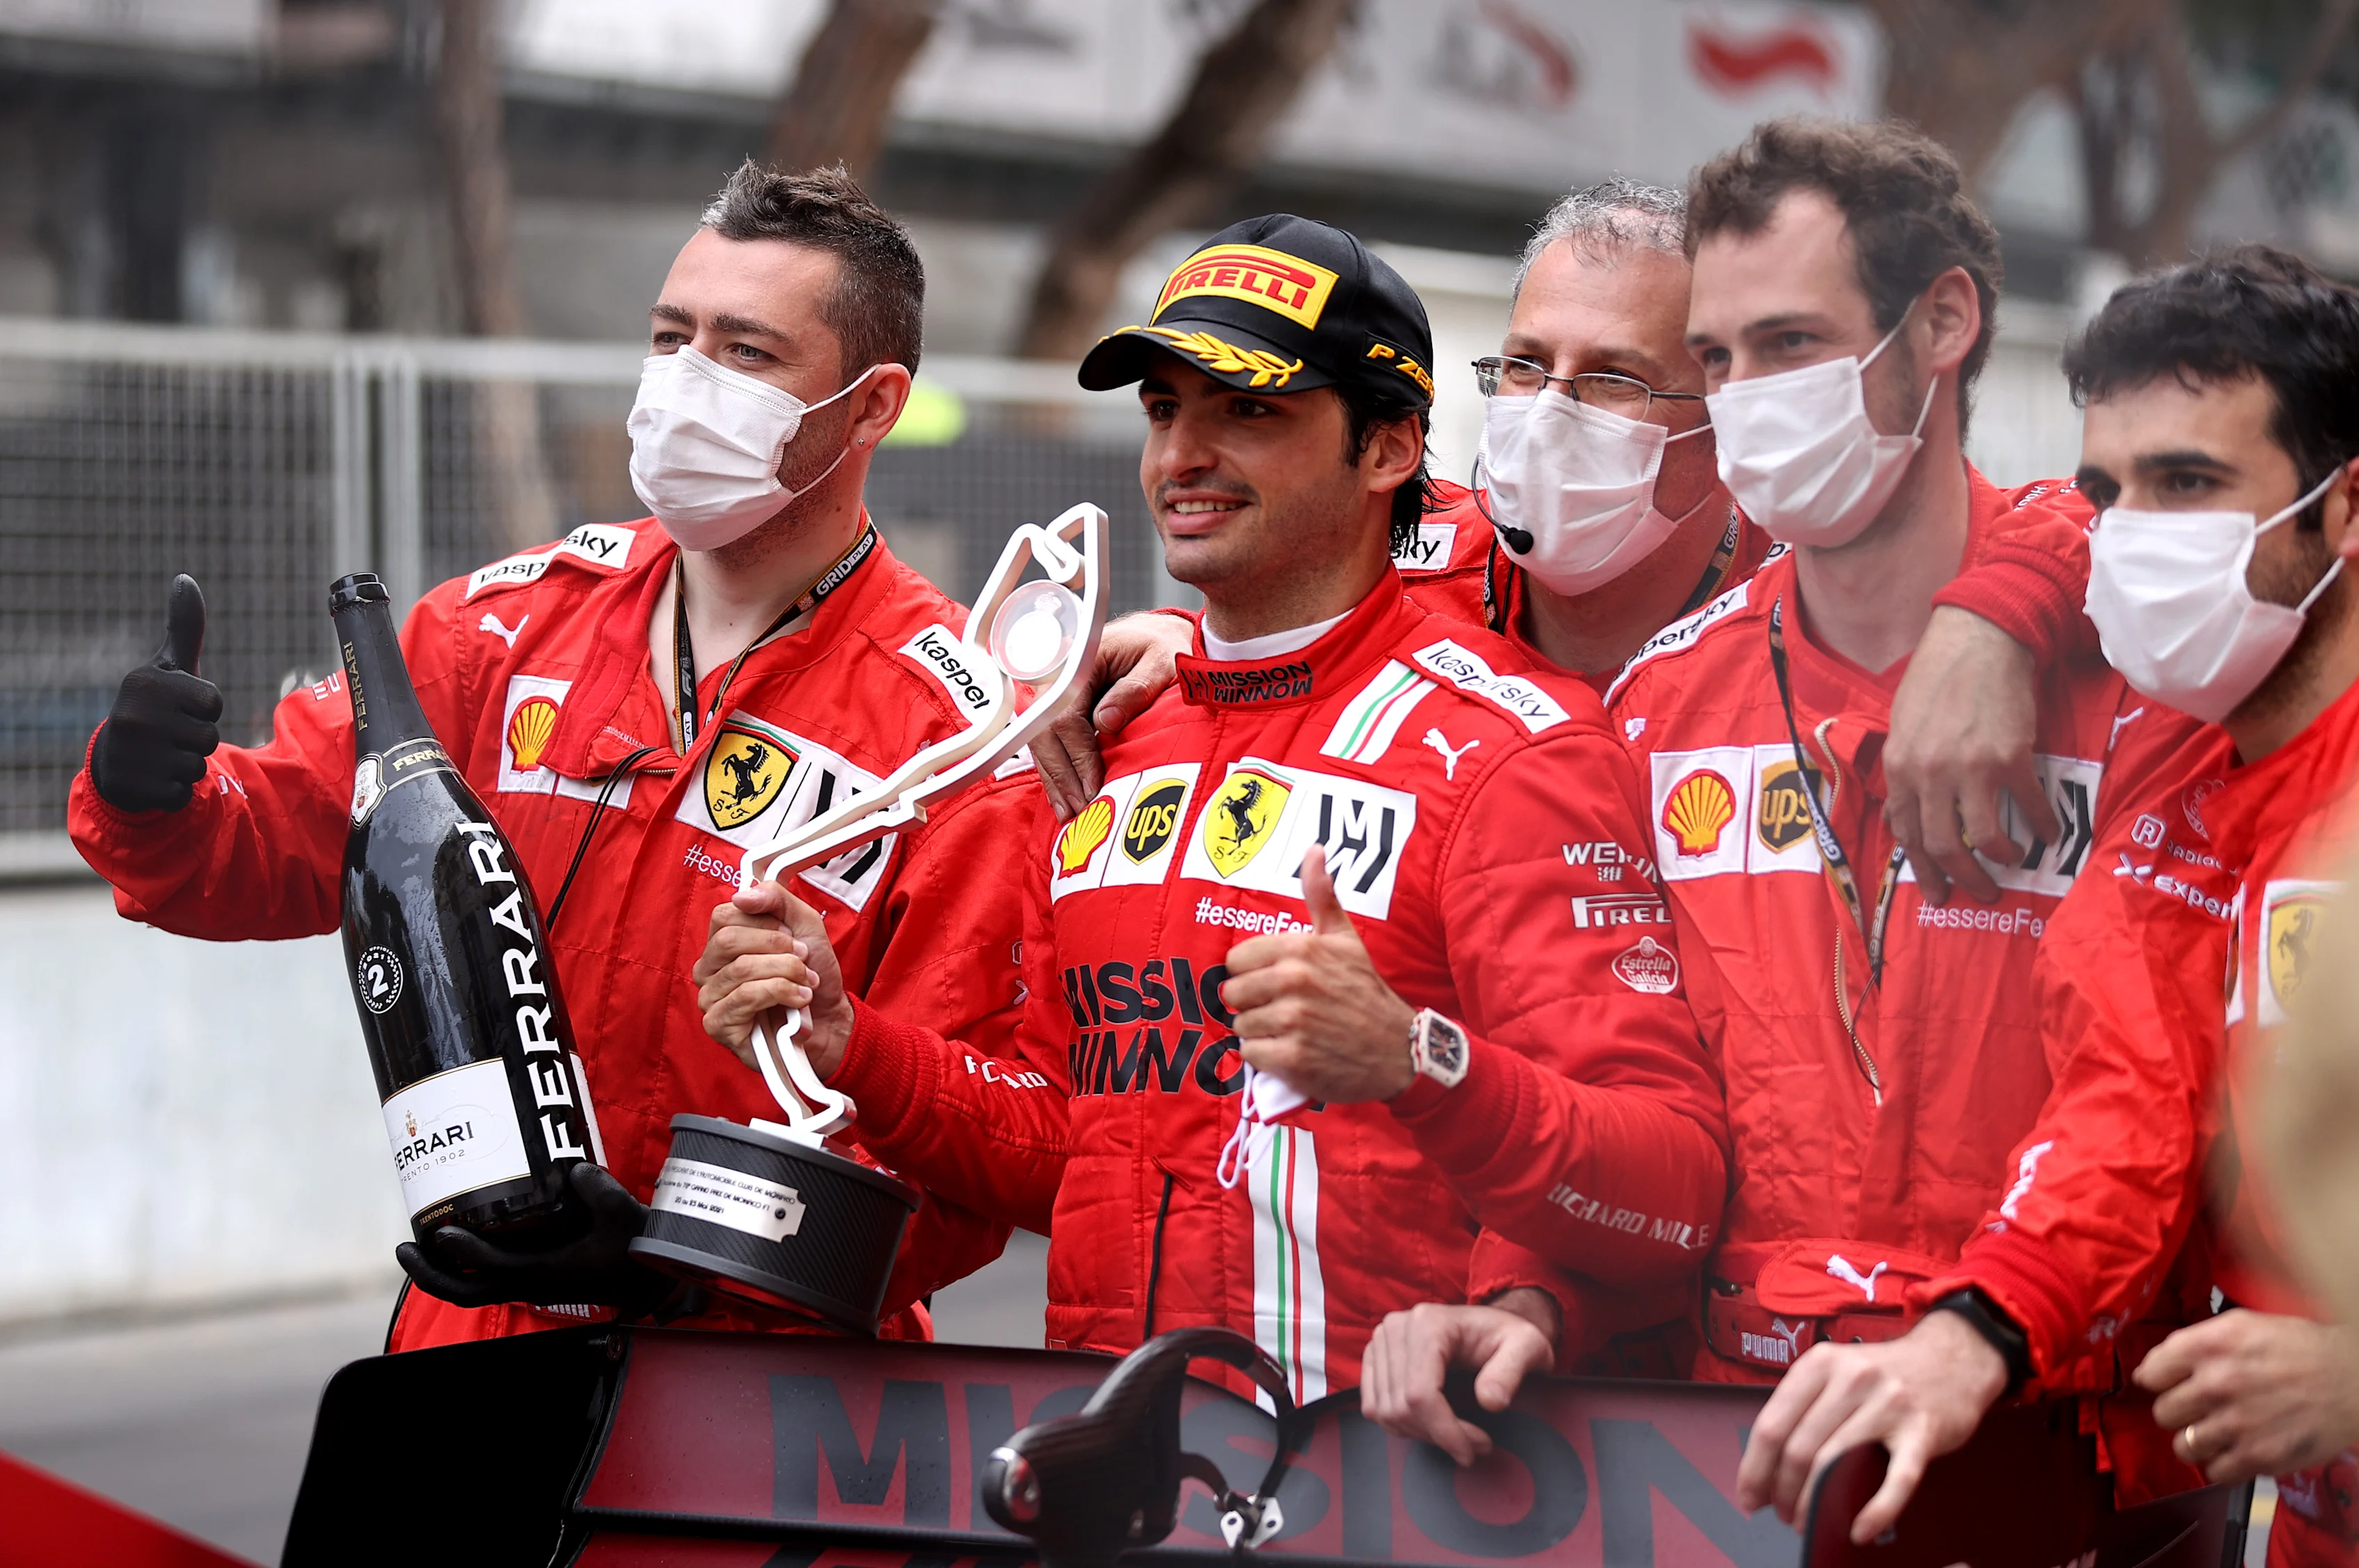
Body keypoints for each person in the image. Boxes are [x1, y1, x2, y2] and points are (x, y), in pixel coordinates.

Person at [694, 213, 1731, 1400]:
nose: (1184, 453)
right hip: (1125, 1471)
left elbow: (1675, 1186)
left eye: (1251, 411)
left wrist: (1416, 1059)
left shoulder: (1509, 749)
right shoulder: (1113, 742)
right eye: (1163, 410)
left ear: (1392, 447)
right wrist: (853, 1044)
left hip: (1393, 1483)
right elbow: (1069, 1146)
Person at [68, 161, 1027, 1350]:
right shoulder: (503, 625)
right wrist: (146, 790)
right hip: (477, 1335)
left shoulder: (962, 733)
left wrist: (677, 1269)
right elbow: (267, 845)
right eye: (671, 337)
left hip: (767, 1388)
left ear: (874, 406)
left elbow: (994, 1148)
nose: (685, 383)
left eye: (747, 353)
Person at [1565, 118, 2221, 1542]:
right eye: (1717, 358)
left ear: (1941, 323)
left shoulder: (2147, 678)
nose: (1743, 400)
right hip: (1747, 1458)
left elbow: (2149, 1089)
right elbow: (1610, 1078)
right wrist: (1515, 1287)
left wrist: (2010, 598)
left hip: (2070, 1449)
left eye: (1790, 344)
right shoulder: (1660, 703)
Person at [2063, 245, 2359, 1565]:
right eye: (2105, 489)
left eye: (2186, 482)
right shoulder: (2178, 762)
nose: (2131, 531)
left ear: (2342, 510)